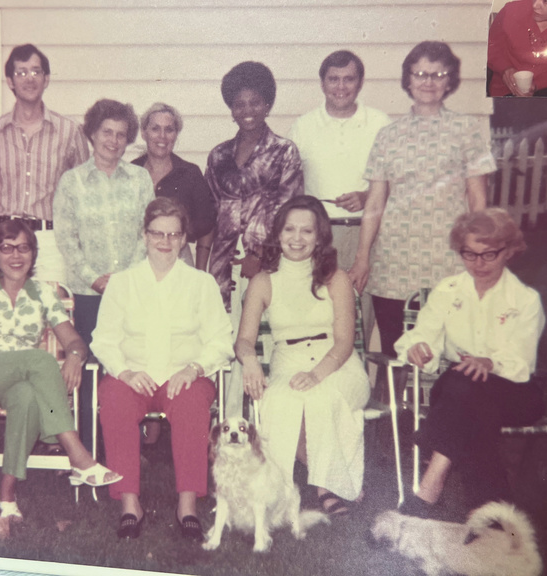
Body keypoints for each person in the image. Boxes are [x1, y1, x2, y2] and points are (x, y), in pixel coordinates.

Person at [0, 220, 121, 521]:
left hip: (22, 379)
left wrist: (76, 357)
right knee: (41, 360)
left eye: (23, 248)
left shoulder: (42, 292)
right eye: (6, 248)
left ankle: (7, 494)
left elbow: (74, 340)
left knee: (25, 396)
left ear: (34, 254)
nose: (16, 256)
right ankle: (76, 452)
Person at [90, 197, 232, 540]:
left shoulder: (201, 284)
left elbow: (220, 340)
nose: (165, 242)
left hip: (183, 375)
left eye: (173, 235)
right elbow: (103, 339)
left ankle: (187, 505)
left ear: (184, 238)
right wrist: (124, 372)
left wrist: (194, 368)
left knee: (192, 405)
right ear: (144, 235)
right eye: (157, 234)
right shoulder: (122, 283)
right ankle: (129, 504)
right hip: (133, 374)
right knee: (115, 401)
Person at [349, 41, 497, 365]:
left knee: (450, 347)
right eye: (420, 74)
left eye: (437, 74)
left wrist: (480, 254)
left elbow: (478, 200)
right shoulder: (388, 135)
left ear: (449, 81)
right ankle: (400, 414)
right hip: (394, 262)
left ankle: (443, 413)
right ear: (408, 80)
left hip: (448, 258)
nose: (428, 81)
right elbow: (375, 201)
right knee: (397, 349)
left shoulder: (468, 129)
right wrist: (362, 258)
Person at [394, 208, 545, 517]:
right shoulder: (448, 291)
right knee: (464, 386)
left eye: (488, 255)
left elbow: (521, 360)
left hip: (513, 394)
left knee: (466, 388)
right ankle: (491, 510)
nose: (478, 264)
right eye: (469, 254)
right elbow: (422, 334)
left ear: (508, 251)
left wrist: (489, 363)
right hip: (458, 390)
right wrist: (417, 347)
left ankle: (430, 488)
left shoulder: (525, 300)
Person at [235, 196, 370, 516]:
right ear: (278, 234)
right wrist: (251, 361)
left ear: (319, 236)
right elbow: (243, 339)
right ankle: (287, 486)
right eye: (289, 230)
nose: (297, 239)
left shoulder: (336, 278)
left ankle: (325, 487)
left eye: (306, 231)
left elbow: (344, 342)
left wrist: (317, 374)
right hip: (288, 359)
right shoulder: (263, 281)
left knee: (320, 397)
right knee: (280, 401)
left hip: (337, 363)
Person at [54, 99, 154, 447]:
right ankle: (88, 444)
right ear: (92, 134)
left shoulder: (140, 179)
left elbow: (149, 231)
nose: (113, 141)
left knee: (127, 364)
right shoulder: (72, 182)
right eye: (106, 133)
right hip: (88, 292)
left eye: (121, 135)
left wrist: (125, 281)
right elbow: (66, 238)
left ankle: (125, 445)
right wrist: (94, 278)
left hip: (132, 291)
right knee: (89, 366)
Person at [206, 61, 303, 418]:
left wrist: (260, 257)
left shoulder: (284, 151)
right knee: (227, 338)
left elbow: (290, 213)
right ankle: (229, 419)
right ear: (231, 108)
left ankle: (268, 420)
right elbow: (211, 212)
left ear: (267, 105)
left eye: (254, 102)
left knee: (262, 339)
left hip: (268, 265)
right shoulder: (218, 156)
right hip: (223, 264)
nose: (246, 111)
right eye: (239, 104)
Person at [288, 49, 391, 345]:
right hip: (319, 235)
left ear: (359, 83)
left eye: (349, 79)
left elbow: (395, 180)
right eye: (333, 79)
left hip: (366, 234)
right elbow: (290, 185)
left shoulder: (379, 122)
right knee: (319, 316)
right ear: (322, 83)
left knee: (361, 318)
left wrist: (366, 194)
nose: (341, 87)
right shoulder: (304, 126)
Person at [0, 44, 90, 283]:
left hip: (48, 240)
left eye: (36, 71)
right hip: (3, 237)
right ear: (10, 81)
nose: (29, 79)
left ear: (46, 79)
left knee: (52, 310)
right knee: (4, 312)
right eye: (21, 72)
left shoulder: (69, 131)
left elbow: (83, 190)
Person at [132, 103, 216, 270]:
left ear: (176, 134)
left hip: (179, 260)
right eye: (155, 129)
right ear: (144, 133)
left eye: (169, 130)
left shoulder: (190, 174)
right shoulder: (131, 172)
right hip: (136, 260)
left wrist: (200, 271)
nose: (162, 136)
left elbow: (207, 225)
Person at [487, 0, 547, 97]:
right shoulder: (511, 10)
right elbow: (492, 47)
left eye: (546, 1)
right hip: (506, 89)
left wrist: (537, 85)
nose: (535, 5)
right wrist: (505, 69)